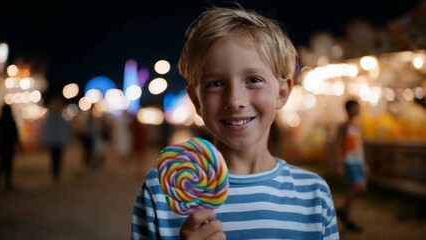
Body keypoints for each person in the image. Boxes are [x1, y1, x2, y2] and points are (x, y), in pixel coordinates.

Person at [131, 6, 339, 239]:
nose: (235, 100)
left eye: (253, 80)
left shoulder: (313, 195)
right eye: (215, 84)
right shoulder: (162, 192)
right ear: (196, 100)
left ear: (281, 93)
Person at [334, 99, 367, 232]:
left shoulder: (357, 126)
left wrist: (363, 163)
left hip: (357, 162)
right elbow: (337, 145)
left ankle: (346, 219)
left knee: (352, 189)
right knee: (360, 186)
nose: (357, 110)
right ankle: (342, 210)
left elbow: (359, 147)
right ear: (348, 109)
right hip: (349, 162)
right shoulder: (344, 126)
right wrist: (339, 163)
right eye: (355, 108)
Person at [40, 95, 71, 181]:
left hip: (60, 141)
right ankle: (55, 172)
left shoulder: (62, 116)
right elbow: (48, 129)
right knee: (54, 157)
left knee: (59, 157)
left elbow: (65, 129)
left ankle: (57, 172)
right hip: (53, 141)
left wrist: (66, 139)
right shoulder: (51, 116)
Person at [0, 104, 20, 191]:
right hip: (9, 146)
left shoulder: (0, 121)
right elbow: (15, 135)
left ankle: (6, 181)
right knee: (8, 164)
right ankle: (8, 182)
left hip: (2, 146)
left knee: (3, 162)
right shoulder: (11, 121)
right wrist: (18, 145)